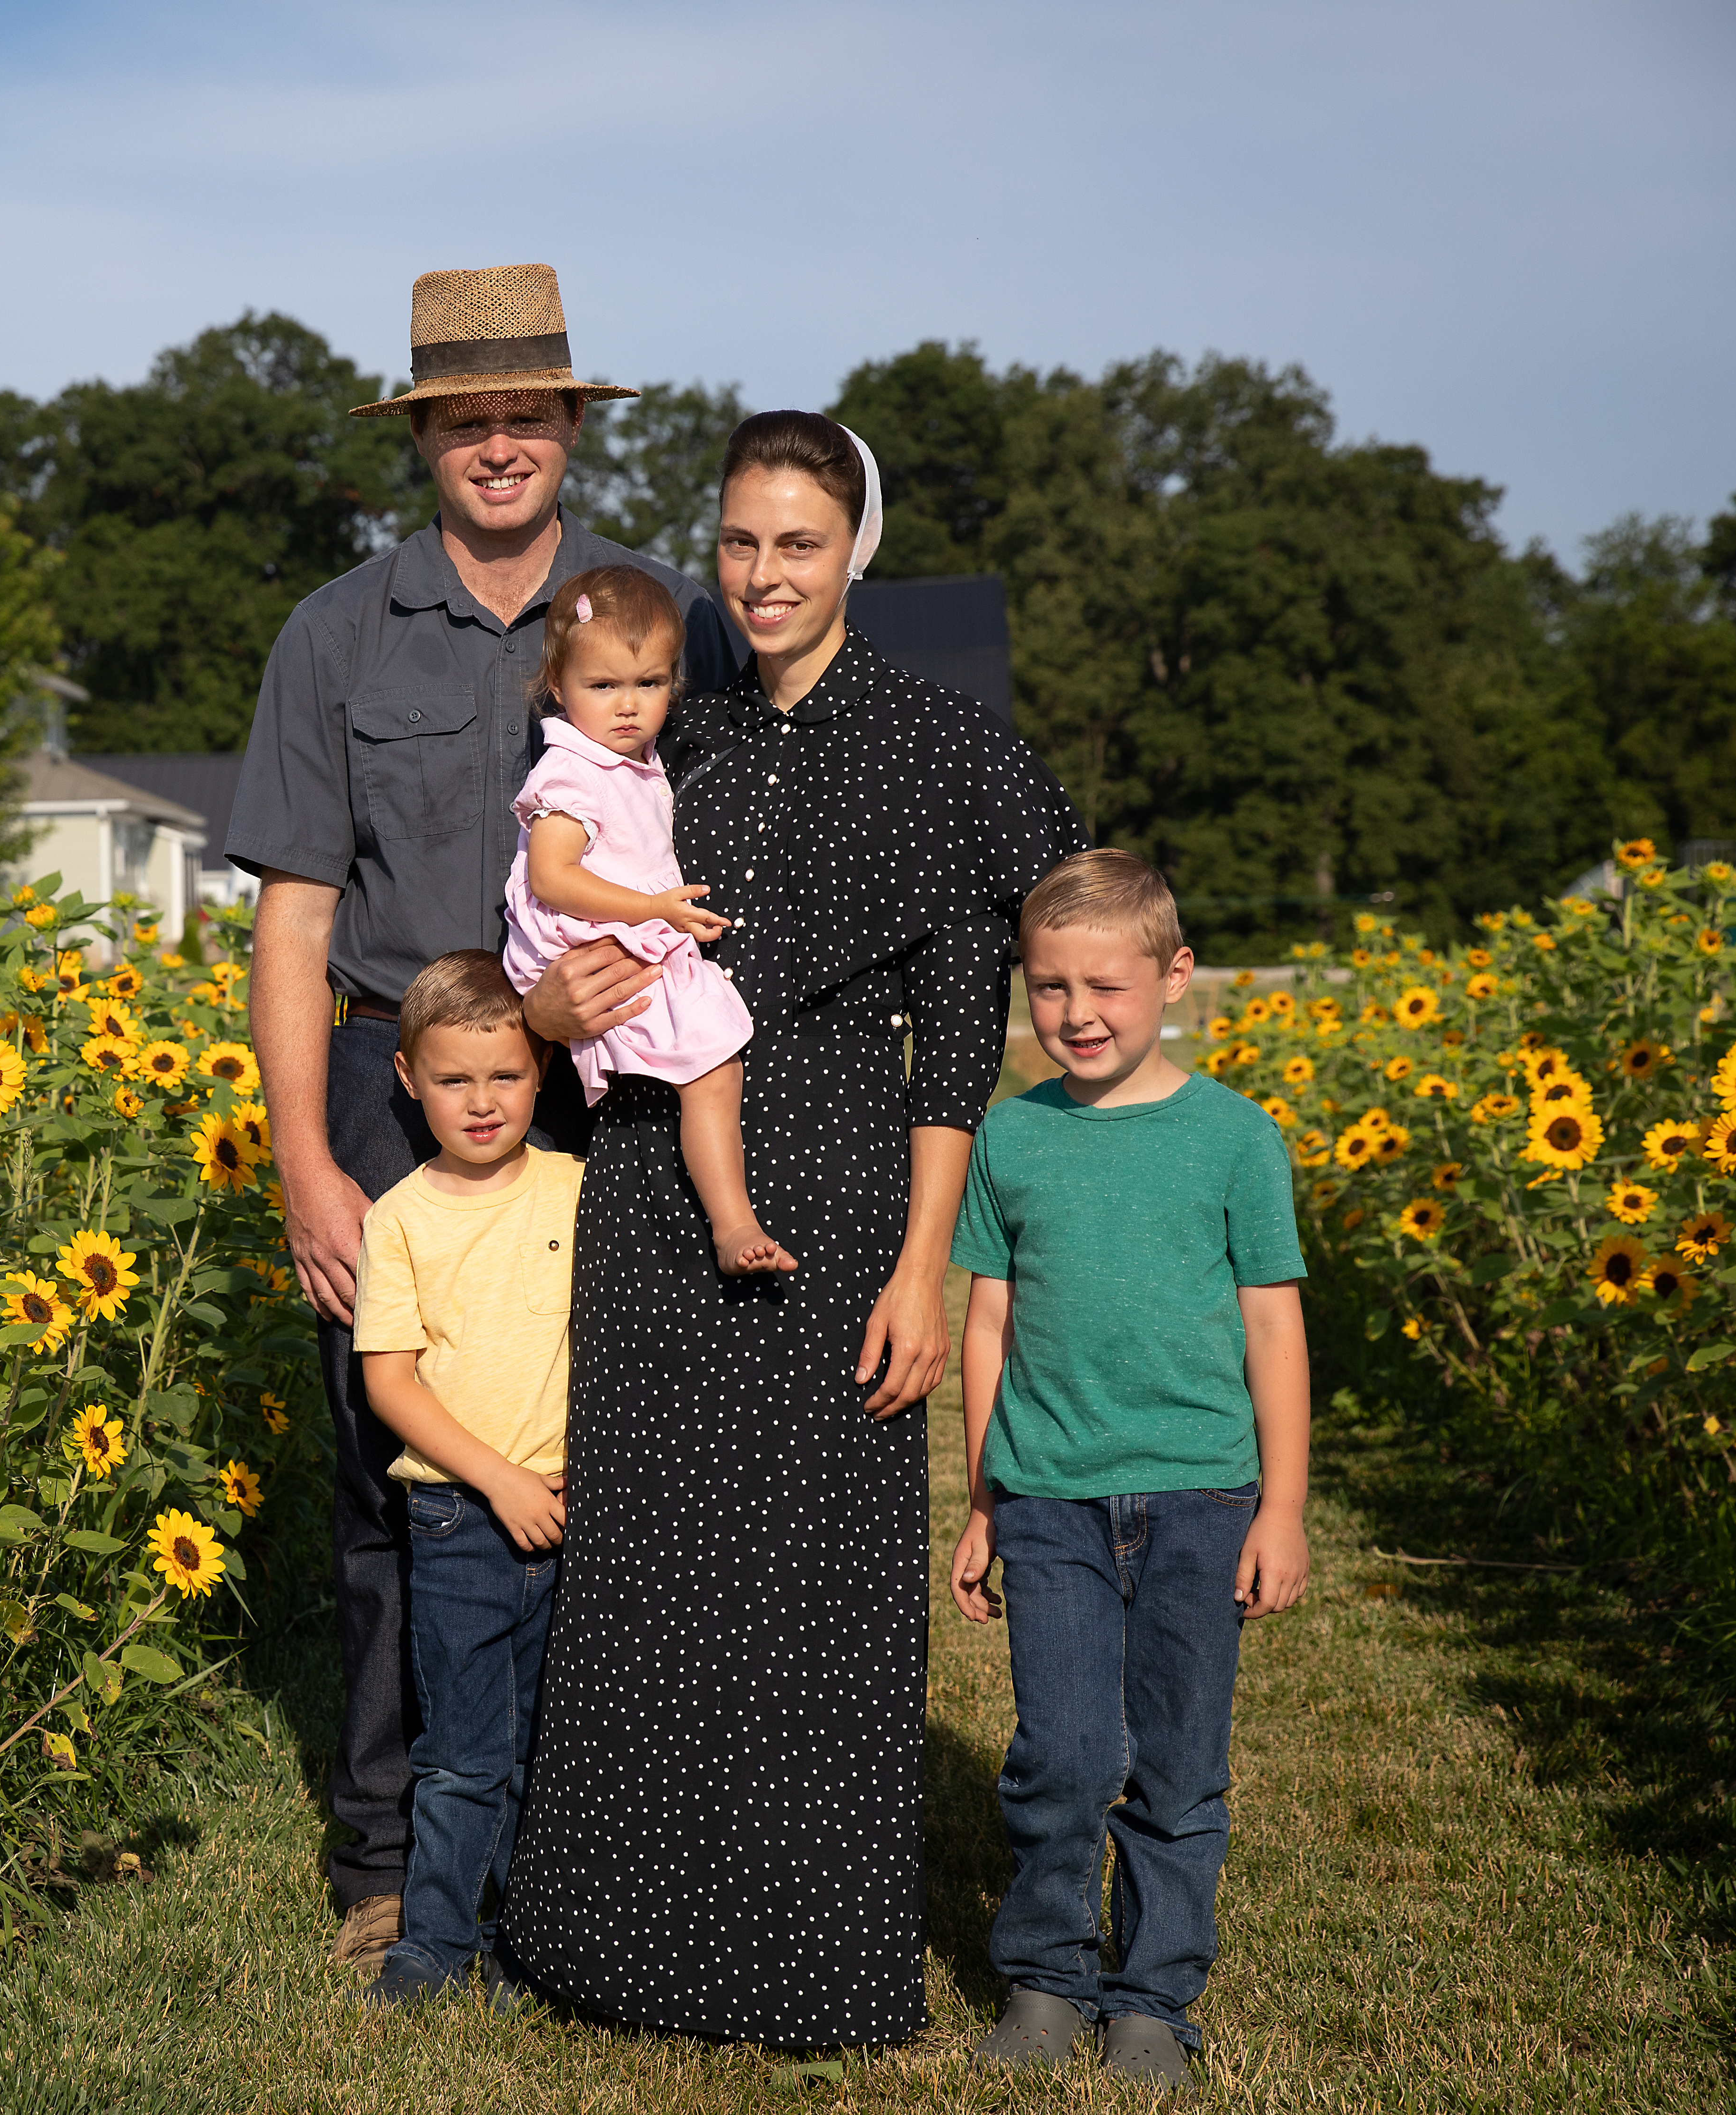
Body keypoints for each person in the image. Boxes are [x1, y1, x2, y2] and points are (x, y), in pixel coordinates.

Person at [499, 411, 1083, 2046]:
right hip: (645, 1172)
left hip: (836, 1180)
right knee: (653, 1565)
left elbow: (967, 1033)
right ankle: (616, 1946)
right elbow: (549, 945)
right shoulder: (654, 735)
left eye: (798, 545)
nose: (762, 576)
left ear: (857, 553)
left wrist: (922, 1261)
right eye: (740, 544)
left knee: (819, 1588)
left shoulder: (944, 746)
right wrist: (545, 1005)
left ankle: (803, 1959)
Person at [228, 262, 742, 1971]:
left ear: (571, 430)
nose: (501, 443)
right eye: (469, 418)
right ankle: (391, 1854)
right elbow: (295, 916)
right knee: (402, 1478)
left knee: (623, 1468)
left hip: (619, 1107)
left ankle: (581, 1844)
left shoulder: (665, 620)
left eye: (530, 413)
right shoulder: (339, 632)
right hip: (396, 1098)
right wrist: (309, 1158)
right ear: (426, 439)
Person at [945, 848, 1311, 2094]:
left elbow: (1273, 1329)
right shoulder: (1012, 1133)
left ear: (1176, 976)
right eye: (1047, 987)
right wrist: (985, 1497)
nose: (1075, 1013)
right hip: (1047, 1495)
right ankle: (1049, 1973)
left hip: (1206, 1499)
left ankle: (1154, 1997)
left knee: (1176, 1759)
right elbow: (985, 1321)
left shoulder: (1236, 1140)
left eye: (1104, 983)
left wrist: (1287, 1511)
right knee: (1063, 1750)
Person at [347, 951, 582, 2008]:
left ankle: (526, 1950)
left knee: (552, 1750)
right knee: (461, 1753)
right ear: (407, 1078)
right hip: (460, 1518)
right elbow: (391, 1386)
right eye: (453, 1079)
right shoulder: (398, 1217)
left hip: (579, 1511)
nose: (481, 1101)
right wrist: (498, 1483)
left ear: (542, 1074)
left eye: (504, 1076)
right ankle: (432, 1951)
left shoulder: (582, 1190)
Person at [502, 564, 783, 1275]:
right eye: (603, 687)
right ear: (560, 689)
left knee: (707, 1072)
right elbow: (553, 876)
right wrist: (657, 909)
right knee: (711, 1071)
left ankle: (713, 1223)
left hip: (623, 934)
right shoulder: (570, 773)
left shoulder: (630, 759)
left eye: (649, 684)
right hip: (590, 942)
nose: (628, 707)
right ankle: (731, 1222)